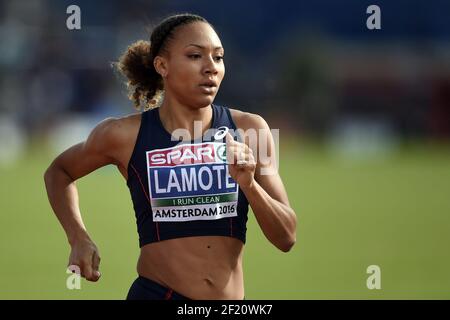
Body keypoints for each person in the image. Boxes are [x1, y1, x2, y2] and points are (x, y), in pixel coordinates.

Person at [44, 13, 297, 300]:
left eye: (218, 57)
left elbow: (287, 237)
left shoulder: (251, 130)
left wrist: (249, 185)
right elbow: (58, 172)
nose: (211, 68)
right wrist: (78, 237)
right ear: (162, 65)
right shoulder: (123, 135)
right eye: (195, 56)